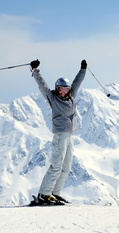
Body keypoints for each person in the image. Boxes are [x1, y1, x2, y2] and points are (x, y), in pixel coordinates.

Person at [29, 59, 87, 205]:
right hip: (60, 135)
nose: (63, 93)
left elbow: (77, 82)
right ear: (57, 89)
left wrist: (83, 70)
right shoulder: (53, 98)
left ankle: (55, 193)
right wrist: (35, 70)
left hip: (70, 135)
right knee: (56, 166)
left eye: (66, 90)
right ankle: (44, 194)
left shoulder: (71, 96)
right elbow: (42, 86)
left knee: (66, 167)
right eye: (61, 90)